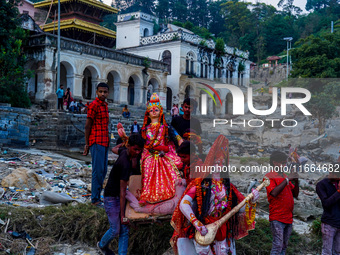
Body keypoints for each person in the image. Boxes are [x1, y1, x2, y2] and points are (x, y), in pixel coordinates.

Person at [171, 135, 259, 255]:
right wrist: (196, 223)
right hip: (204, 230)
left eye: (222, 163)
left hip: (222, 231)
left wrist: (252, 200)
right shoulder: (199, 184)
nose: (219, 166)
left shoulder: (229, 187)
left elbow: (239, 209)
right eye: (216, 162)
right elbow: (183, 204)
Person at [97, 134, 145, 255]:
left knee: (125, 229)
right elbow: (122, 192)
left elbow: (115, 149)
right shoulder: (125, 163)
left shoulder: (124, 151)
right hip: (111, 197)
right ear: (129, 146)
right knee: (115, 230)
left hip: (119, 196)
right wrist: (123, 215)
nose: (137, 152)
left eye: (140, 150)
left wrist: (124, 142)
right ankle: (102, 245)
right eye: (135, 149)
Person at [138, 93, 183, 205]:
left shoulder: (166, 127)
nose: (153, 111)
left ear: (161, 112)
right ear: (148, 114)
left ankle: (168, 194)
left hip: (164, 153)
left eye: (156, 110)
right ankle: (146, 194)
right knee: (148, 165)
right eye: (151, 110)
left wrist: (181, 142)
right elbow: (139, 141)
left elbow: (178, 137)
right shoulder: (145, 129)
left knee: (169, 166)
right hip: (149, 153)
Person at [264, 151, 299, 255]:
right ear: (275, 162)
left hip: (288, 217)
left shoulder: (284, 176)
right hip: (277, 217)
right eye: (283, 163)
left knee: (284, 246)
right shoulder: (269, 176)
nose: (285, 165)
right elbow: (274, 192)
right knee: (277, 246)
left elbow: (295, 194)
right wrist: (288, 179)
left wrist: (296, 181)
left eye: (285, 163)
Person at [83, 83, 110, 207]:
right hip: (96, 141)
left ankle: (98, 197)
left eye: (105, 92)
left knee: (103, 171)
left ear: (108, 93)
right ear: (96, 92)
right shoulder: (94, 105)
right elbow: (88, 126)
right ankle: (94, 200)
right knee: (97, 171)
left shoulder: (105, 105)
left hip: (104, 141)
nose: (103, 94)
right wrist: (87, 144)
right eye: (100, 92)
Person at [316, 162, 340, 255]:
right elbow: (326, 203)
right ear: (332, 173)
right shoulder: (322, 185)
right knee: (327, 251)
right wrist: (338, 192)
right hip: (329, 223)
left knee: (337, 251)